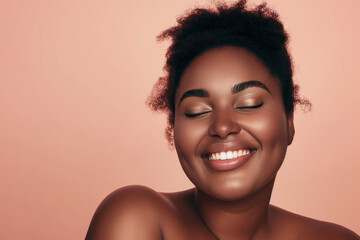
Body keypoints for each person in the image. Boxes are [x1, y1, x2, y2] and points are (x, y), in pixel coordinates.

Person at [85, 1, 360, 239]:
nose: (222, 126)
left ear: (289, 120)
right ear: (173, 128)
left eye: (249, 104)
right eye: (196, 111)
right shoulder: (136, 218)